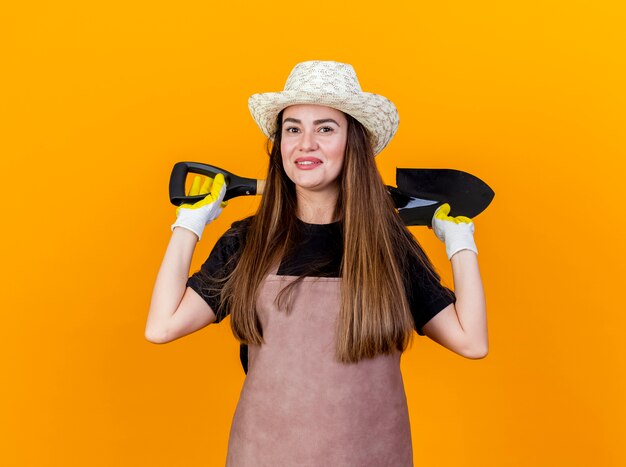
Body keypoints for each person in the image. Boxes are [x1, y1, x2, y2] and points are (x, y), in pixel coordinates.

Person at [146, 60, 488, 466]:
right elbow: (162, 326)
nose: (305, 143)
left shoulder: (388, 246)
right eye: (293, 129)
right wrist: (189, 223)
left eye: (325, 128)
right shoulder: (248, 242)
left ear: (353, 144)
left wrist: (460, 242)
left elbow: (471, 341)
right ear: (281, 147)